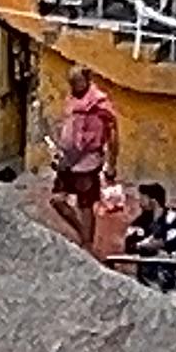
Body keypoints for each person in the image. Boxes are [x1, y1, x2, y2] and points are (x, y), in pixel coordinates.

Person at [50, 70, 120, 253]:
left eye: (77, 81)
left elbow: (111, 135)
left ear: (88, 80)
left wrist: (112, 164)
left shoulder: (99, 105)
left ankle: (87, 243)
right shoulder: (72, 99)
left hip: (87, 161)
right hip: (68, 160)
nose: (73, 86)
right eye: (71, 82)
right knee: (57, 200)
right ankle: (83, 235)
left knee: (85, 204)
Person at [121, 180, 176, 294]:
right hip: (145, 280)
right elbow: (128, 245)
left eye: (143, 199)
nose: (140, 203)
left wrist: (164, 245)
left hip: (171, 278)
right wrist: (143, 245)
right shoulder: (139, 222)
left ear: (153, 201)